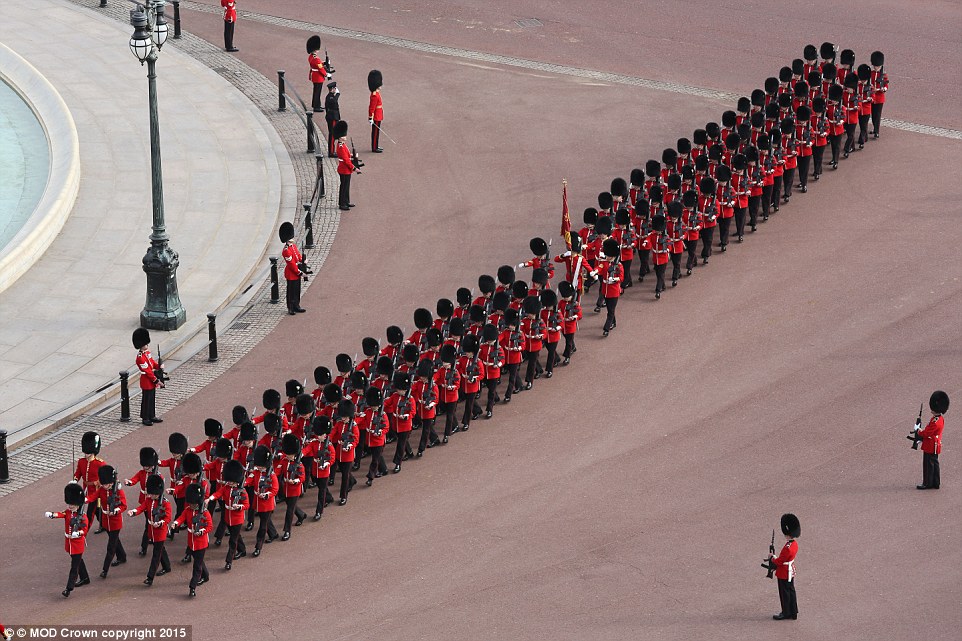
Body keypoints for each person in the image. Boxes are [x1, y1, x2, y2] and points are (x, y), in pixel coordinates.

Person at [45, 482, 90, 597]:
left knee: (74, 567)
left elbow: (84, 529)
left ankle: (68, 588)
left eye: (73, 504)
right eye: (69, 503)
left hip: (77, 543)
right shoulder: (69, 512)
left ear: (78, 504)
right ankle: (85, 578)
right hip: (69, 543)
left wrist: (78, 533)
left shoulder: (83, 516)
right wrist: (52, 514)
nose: (70, 506)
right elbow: (62, 514)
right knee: (78, 560)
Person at [127, 474, 172, 586]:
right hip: (151, 529)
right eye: (150, 493)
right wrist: (133, 512)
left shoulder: (165, 503)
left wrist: (161, 523)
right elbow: (141, 508)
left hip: (160, 531)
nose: (150, 495)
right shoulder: (149, 500)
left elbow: (168, 517)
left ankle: (150, 577)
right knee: (161, 550)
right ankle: (167, 567)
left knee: (156, 554)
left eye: (153, 494)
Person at [171, 484, 213, 597]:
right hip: (191, 541)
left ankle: (192, 587)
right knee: (199, 561)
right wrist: (176, 523)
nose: (191, 505)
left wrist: (202, 531)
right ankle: (206, 575)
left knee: (197, 566)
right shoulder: (188, 510)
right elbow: (181, 517)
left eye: (193, 504)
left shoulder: (205, 513)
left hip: (201, 543)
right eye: (190, 503)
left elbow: (210, 526)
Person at [911, 391, 949, 490]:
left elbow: (927, 433)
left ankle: (927, 483)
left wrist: (918, 430)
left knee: (928, 465)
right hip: (935, 444)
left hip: (930, 445)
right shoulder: (939, 419)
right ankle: (935, 482)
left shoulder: (935, 422)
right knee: (934, 464)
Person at [245, 445, 278, 557]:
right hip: (257, 501)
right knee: (266, 519)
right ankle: (273, 534)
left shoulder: (271, 475)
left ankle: (258, 547)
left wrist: (266, 495)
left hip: (266, 503)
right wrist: (244, 484)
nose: (258, 468)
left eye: (260, 466)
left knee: (263, 525)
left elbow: (275, 489)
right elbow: (250, 479)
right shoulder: (256, 472)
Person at [95, 465, 127, 578]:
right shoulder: (102, 490)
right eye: (103, 484)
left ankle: (105, 569)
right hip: (105, 521)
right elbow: (93, 496)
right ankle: (122, 556)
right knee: (115, 540)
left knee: (111, 546)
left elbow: (124, 506)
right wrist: (83, 500)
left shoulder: (118, 491)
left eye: (107, 484)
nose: (105, 486)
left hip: (115, 522)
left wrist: (116, 511)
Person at [768, 513, 800, 621]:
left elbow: (780, 561)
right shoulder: (794, 544)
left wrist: (772, 558)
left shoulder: (787, 547)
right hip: (790, 570)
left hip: (784, 572)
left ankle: (786, 612)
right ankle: (793, 611)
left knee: (784, 593)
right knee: (791, 591)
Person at [274, 434, 306, 539]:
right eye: (287, 454)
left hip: (294, 489)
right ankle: (301, 515)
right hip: (285, 488)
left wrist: (295, 480)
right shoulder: (283, 461)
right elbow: (278, 471)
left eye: (290, 455)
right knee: (291, 506)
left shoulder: (299, 465)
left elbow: (302, 478)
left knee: (289, 510)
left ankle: (287, 531)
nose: (288, 456)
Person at [73, 431, 104, 532]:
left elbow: (105, 477)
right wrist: (74, 480)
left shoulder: (100, 463)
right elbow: (78, 473)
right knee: (80, 508)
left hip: (95, 491)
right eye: (85, 453)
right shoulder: (81, 462)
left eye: (88, 453)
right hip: (85, 489)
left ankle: (84, 531)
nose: (86, 455)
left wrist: (99, 483)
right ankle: (104, 524)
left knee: (91, 512)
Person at [133, 328, 164, 425]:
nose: (147, 345)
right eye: (146, 344)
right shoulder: (140, 358)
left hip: (150, 380)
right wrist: (156, 380)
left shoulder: (147, 353)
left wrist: (159, 366)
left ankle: (152, 415)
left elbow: (152, 363)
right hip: (146, 381)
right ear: (141, 345)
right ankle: (145, 418)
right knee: (146, 401)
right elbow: (148, 371)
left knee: (152, 399)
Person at [331, 400, 359, 504]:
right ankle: (352, 481)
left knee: (344, 476)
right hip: (339, 453)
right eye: (342, 416)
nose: (343, 418)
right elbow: (333, 433)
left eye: (345, 417)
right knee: (344, 472)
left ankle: (343, 496)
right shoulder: (339, 423)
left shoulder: (354, 426)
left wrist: (350, 446)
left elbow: (356, 439)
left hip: (348, 455)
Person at [279, 221, 306, 315]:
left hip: (296, 272)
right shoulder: (286, 251)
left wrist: (303, 260)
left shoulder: (293, 246)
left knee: (297, 290)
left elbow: (297, 255)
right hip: (291, 273)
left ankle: (296, 305)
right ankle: (290, 307)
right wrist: (299, 272)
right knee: (291, 291)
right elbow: (291, 264)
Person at [333, 121, 355, 211]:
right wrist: (353, 168)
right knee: (344, 186)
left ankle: (346, 201)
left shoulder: (343, 145)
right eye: (343, 136)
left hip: (345, 169)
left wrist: (352, 155)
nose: (345, 137)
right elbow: (345, 160)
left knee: (346, 186)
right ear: (340, 137)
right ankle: (342, 203)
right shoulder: (340, 147)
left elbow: (347, 155)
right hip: (344, 169)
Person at [306, 35, 327, 112]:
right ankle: (316, 107)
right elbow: (320, 68)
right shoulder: (316, 58)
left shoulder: (311, 57)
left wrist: (323, 62)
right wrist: (326, 74)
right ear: (315, 50)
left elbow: (317, 64)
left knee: (316, 91)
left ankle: (316, 105)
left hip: (314, 76)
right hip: (318, 77)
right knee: (317, 92)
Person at [368, 70, 384, 153]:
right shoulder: (374, 95)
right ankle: (374, 147)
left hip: (378, 114)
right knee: (375, 132)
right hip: (376, 116)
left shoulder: (376, 93)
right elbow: (372, 107)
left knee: (377, 132)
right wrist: (371, 117)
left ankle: (376, 145)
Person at [324, 82, 340, 157]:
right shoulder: (330, 97)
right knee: (332, 134)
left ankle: (332, 150)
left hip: (333, 116)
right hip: (332, 117)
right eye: (335, 88)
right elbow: (334, 102)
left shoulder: (331, 96)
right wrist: (337, 94)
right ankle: (331, 152)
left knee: (333, 134)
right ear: (332, 89)